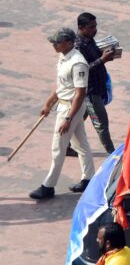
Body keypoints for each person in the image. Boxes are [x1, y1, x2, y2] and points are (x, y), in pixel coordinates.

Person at [29, 29, 95, 200]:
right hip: (64, 104)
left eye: (56, 42)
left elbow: (80, 93)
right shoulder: (63, 58)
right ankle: (88, 178)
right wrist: (48, 103)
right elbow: (61, 86)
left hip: (70, 108)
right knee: (81, 144)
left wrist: (68, 118)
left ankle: (48, 186)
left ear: (68, 42)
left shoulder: (78, 63)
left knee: (58, 148)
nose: (54, 45)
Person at [75, 13, 116, 156]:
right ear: (81, 28)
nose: (95, 30)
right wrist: (102, 60)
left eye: (95, 26)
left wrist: (103, 54)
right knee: (101, 123)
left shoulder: (89, 39)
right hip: (90, 92)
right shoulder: (78, 46)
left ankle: (67, 143)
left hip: (98, 87)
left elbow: (93, 57)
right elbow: (84, 69)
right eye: (91, 27)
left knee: (78, 119)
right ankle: (112, 153)